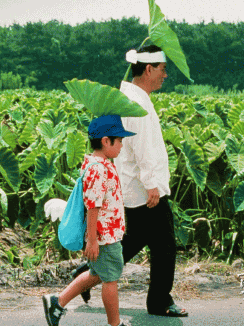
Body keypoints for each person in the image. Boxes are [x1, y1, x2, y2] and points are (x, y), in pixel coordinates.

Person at [72, 45, 188, 317]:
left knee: (134, 240)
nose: (165, 75)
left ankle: (86, 274)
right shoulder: (136, 102)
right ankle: (159, 302)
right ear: (148, 69)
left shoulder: (130, 96)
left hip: (133, 187)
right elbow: (142, 146)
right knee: (165, 246)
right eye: (162, 69)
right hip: (144, 189)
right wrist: (152, 184)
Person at [42, 115, 135, 326]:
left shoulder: (100, 165)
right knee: (110, 279)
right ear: (105, 141)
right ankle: (115, 324)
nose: (122, 144)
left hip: (106, 235)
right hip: (104, 237)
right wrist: (92, 240)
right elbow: (93, 205)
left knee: (96, 274)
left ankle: (57, 302)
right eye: (119, 140)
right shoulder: (98, 169)